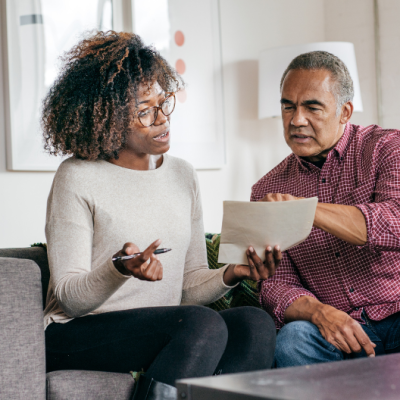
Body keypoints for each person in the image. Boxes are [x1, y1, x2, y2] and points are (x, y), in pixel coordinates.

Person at [41, 31, 276, 400]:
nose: (162, 118)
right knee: (200, 325)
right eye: (144, 111)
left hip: (166, 326)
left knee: (254, 323)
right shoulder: (77, 176)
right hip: (77, 333)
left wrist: (233, 273)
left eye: (163, 102)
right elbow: (69, 296)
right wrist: (119, 268)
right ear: (108, 118)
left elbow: (188, 285)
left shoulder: (183, 174)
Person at [251, 50, 400, 368]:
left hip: (397, 311)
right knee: (293, 341)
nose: (296, 120)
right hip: (338, 329)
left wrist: (304, 211)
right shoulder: (265, 190)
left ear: (345, 112)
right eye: (288, 106)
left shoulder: (387, 149)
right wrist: (320, 312)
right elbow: (276, 284)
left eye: (312, 107)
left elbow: (395, 222)